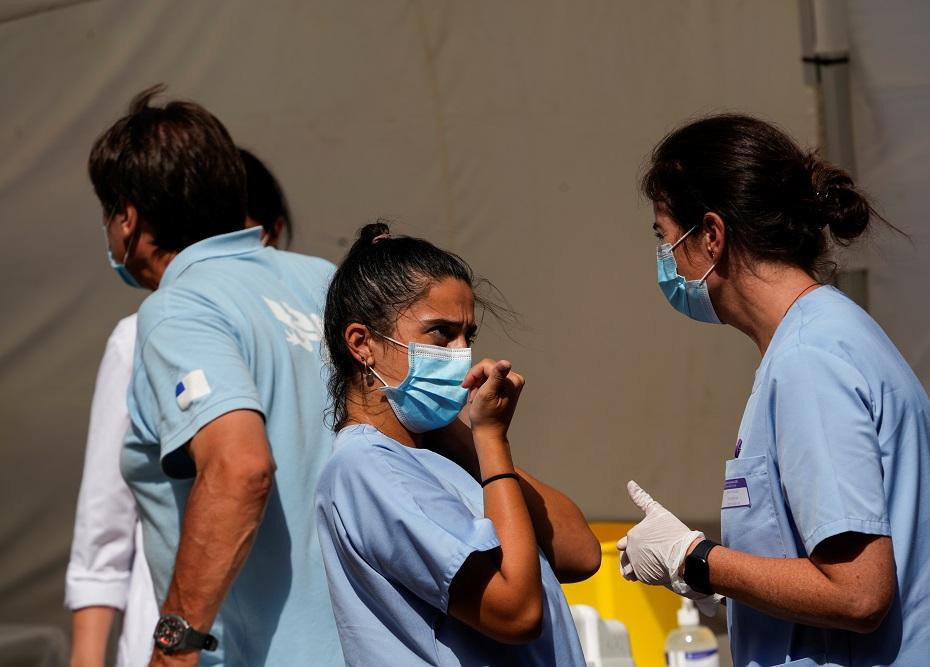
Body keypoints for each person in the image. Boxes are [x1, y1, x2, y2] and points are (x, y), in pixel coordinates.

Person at [616, 114, 930, 666]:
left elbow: (856, 592)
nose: (666, 260)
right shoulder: (823, 336)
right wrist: (726, 579)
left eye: (667, 239)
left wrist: (694, 558)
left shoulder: (810, 359)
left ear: (711, 236)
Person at [89, 85, 342, 666]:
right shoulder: (324, 282)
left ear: (127, 217)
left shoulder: (177, 309)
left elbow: (240, 467)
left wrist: (173, 650)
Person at [315, 222, 600, 666]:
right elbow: (517, 613)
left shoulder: (439, 453)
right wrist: (490, 440)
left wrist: (466, 438)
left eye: (469, 336)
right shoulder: (366, 467)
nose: (461, 353)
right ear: (362, 344)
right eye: (441, 334)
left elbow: (579, 552)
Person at [66, 148, 294, 667]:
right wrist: (88, 655)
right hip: (176, 645)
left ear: (272, 231)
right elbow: (105, 521)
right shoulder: (145, 334)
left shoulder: (304, 322)